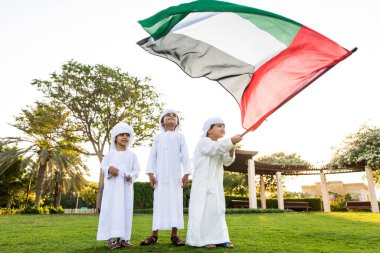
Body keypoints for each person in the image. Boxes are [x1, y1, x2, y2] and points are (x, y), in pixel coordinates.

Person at [186, 117, 243, 249]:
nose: (223, 128)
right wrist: (231, 141)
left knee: (217, 210)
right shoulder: (204, 142)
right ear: (209, 130)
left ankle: (220, 239)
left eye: (224, 126)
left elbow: (227, 161)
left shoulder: (220, 145)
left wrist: (231, 147)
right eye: (219, 126)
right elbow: (213, 149)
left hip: (216, 183)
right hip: (203, 184)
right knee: (203, 210)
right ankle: (201, 239)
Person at [140, 108, 192, 246]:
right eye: (167, 115)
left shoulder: (180, 136)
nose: (171, 116)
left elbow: (185, 155)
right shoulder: (158, 138)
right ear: (162, 122)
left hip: (175, 178)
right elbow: (152, 156)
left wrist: (186, 173)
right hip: (160, 177)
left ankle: (174, 235)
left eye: (174, 115)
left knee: (176, 203)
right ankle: (154, 235)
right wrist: (150, 173)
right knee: (159, 204)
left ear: (177, 122)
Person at [97, 122, 140, 249]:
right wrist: (109, 169)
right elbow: (103, 166)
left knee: (125, 211)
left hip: (126, 188)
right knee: (111, 211)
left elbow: (136, 170)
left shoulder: (132, 155)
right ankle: (111, 240)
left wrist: (130, 176)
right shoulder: (110, 154)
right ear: (115, 137)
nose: (125, 137)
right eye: (122, 134)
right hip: (112, 189)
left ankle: (124, 239)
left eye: (127, 135)